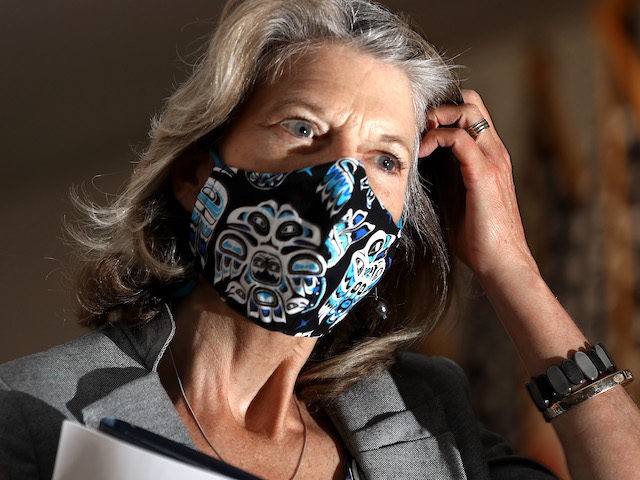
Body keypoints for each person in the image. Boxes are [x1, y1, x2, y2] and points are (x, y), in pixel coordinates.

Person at [1, 0, 639, 478]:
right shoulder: (27, 409)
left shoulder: (429, 417)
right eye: (303, 128)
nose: (340, 182)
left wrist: (511, 268)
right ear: (198, 175)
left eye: (385, 161)